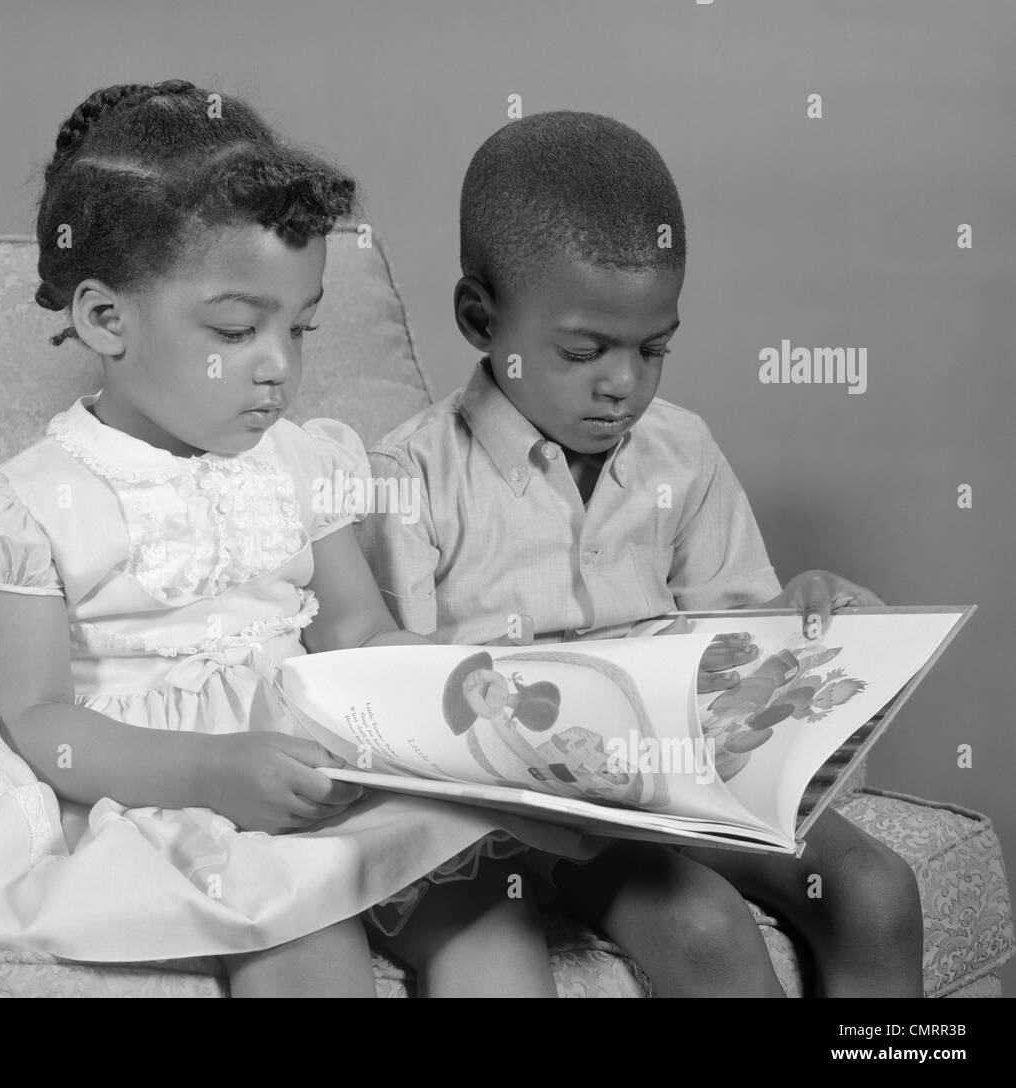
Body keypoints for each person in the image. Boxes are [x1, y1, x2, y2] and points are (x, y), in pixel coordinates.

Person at [0, 82, 604, 998]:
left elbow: (356, 633)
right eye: (235, 330)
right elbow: (36, 722)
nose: (280, 368)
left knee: (485, 912)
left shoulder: (301, 461)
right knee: (299, 936)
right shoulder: (24, 504)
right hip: (174, 793)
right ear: (106, 319)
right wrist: (210, 770)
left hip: (323, 764)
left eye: (301, 327)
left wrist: (469, 702)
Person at [359, 110, 923, 997]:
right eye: (584, 352)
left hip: (691, 778)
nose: (623, 383)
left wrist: (799, 623)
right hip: (549, 818)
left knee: (878, 890)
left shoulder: (682, 452)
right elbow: (405, 710)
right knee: (702, 922)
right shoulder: (412, 479)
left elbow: (736, 642)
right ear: (480, 318)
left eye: (653, 349)